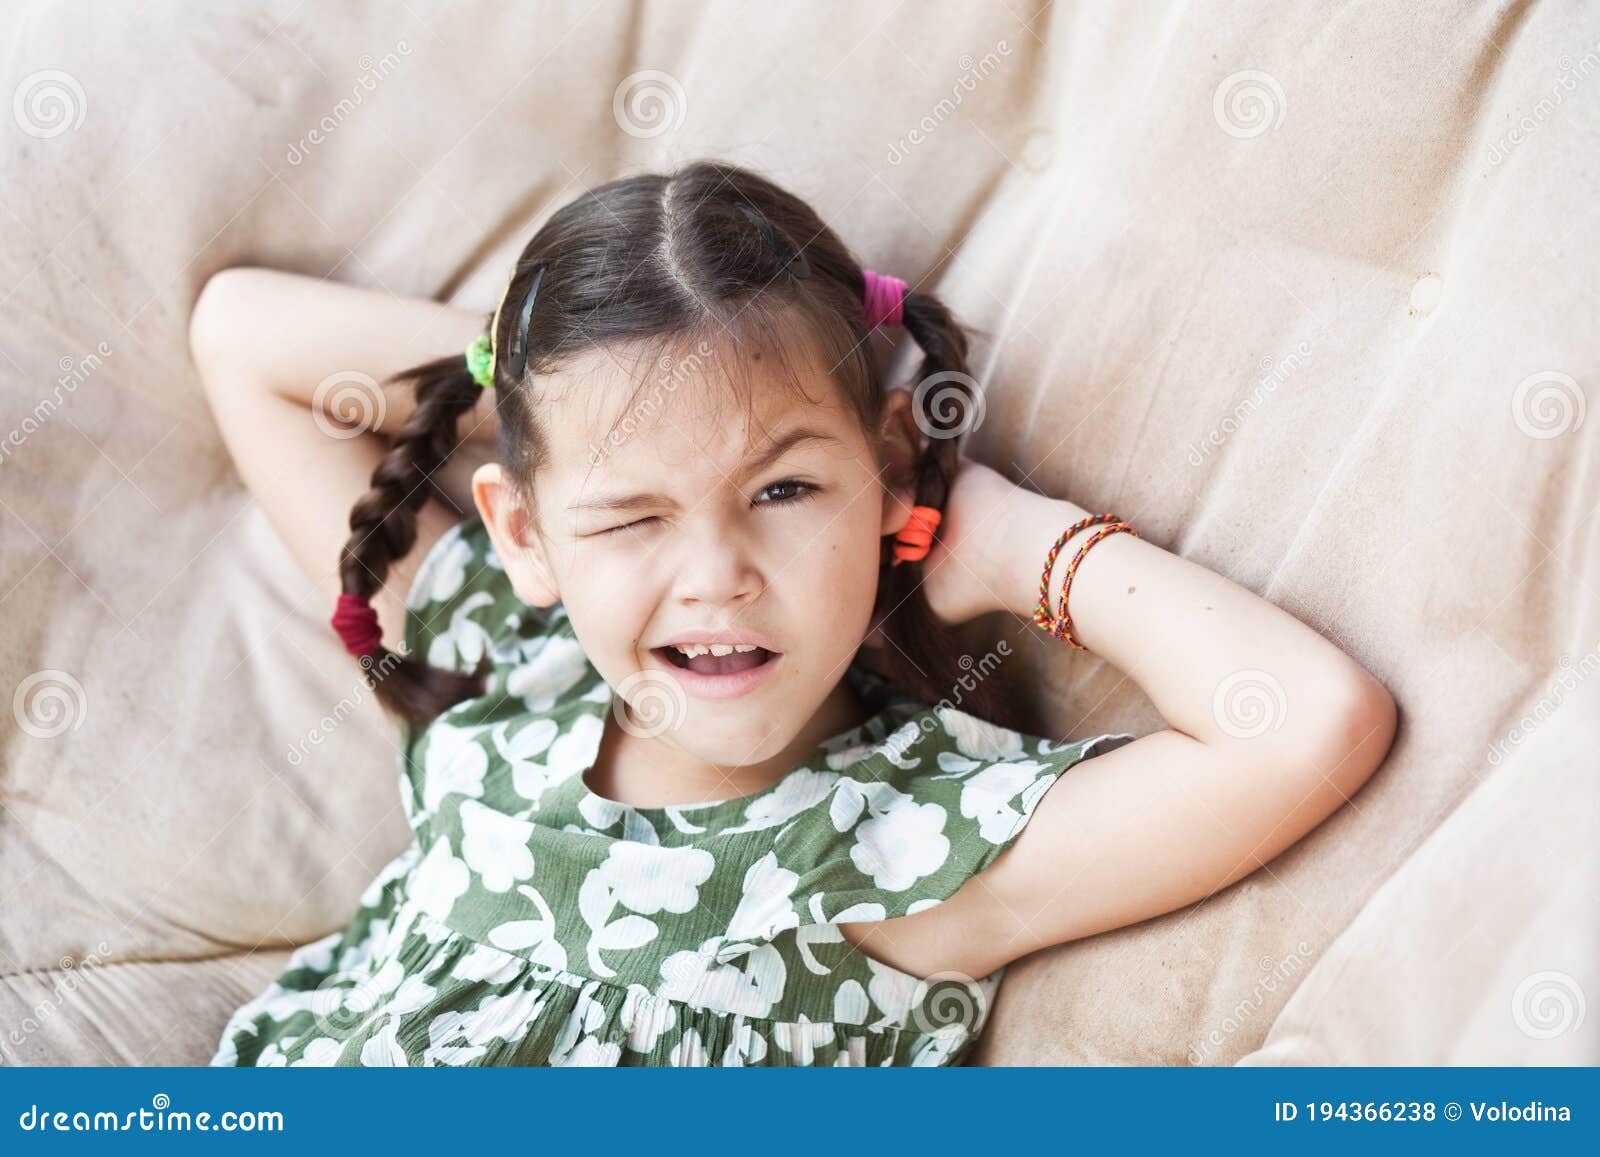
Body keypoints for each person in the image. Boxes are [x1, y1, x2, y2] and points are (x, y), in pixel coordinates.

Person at [190, 160, 1396, 1066]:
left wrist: (1022, 544)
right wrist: (544, 389)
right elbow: (239, 335)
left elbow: (1306, 721)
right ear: (524, 534)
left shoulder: (899, 848)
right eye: (631, 514)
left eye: (784, 488)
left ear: (882, 472)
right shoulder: (512, 663)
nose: (718, 572)